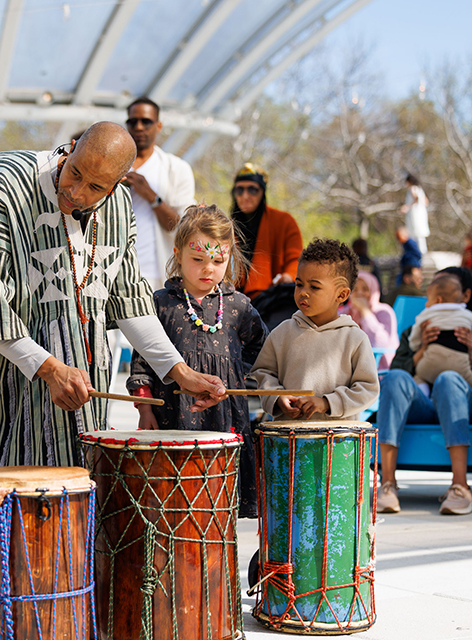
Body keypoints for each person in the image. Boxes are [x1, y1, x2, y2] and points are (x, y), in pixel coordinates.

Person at [0, 122, 226, 613]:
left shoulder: (118, 209)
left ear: (119, 184)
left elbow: (127, 299)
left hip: (41, 330)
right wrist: (48, 366)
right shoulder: (1, 188)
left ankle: (20, 568)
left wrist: (179, 372)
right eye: (73, 174)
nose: (75, 192)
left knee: (46, 439)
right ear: (68, 149)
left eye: (95, 187)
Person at [126, 205, 268, 517]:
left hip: (224, 417)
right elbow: (143, 358)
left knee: (220, 500)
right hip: (172, 417)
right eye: (198, 259)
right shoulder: (161, 303)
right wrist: (145, 408)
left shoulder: (238, 307)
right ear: (177, 254)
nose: (208, 269)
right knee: (174, 501)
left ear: (229, 256)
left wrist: (237, 376)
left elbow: (261, 346)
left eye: (218, 260)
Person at [375, 266, 472, 516]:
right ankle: (388, 485)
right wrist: (422, 350)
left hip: (469, 408)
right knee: (394, 377)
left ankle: (460, 487)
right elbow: (399, 371)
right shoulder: (417, 330)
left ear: (465, 296)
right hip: (424, 405)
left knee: (449, 378)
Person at [245, 238, 379, 421]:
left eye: (314, 287)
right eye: (299, 284)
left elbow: (368, 388)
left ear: (342, 294)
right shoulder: (282, 333)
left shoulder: (354, 338)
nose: (303, 292)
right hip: (287, 441)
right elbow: (263, 373)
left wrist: (327, 402)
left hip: (338, 444)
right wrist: (276, 397)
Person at [122, 97, 196, 289]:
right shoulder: (113, 166)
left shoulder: (177, 168)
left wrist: (151, 196)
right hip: (114, 275)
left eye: (146, 121)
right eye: (132, 121)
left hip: (157, 276)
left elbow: (183, 228)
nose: (138, 127)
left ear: (159, 125)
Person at [230, 163, 303, 300]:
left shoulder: (284, 221)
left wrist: (289, 276)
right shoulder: (224, 226)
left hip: (272, 300)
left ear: (262, 192)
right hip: (231, 300)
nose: (245, 196)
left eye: (252, 190)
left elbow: (297, 259)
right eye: (239, 190)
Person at [408, 273, 472, 393]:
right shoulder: (467, 315)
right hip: (459, 365)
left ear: (438, 300)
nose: (426, 304)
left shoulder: (426, 314)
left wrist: (418, 346)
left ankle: (423, 393)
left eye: (428, 300)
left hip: (429, 363)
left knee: (420, 377)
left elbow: (414, 338)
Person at [341, 271, 399, 370]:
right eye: (355, 289)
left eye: (365, 289)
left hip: (379, 370)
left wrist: (364, 310)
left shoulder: (384, 311)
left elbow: (378, 343)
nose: (359, 293)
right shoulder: (346, 311)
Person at [400, 173, 430, 254]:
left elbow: (416, 199)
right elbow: (426, 201)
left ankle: (418, 252)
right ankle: (422, 251)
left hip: (415, 215)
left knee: (415, 233)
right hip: (421, 213)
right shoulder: (420, 189)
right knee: (419, 234)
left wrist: (407, 207)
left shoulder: (412, 188)